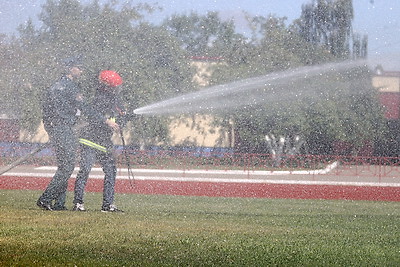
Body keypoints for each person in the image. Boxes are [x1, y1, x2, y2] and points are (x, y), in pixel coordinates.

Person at [37, 58, 118, 211]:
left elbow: (47, 109)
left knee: (63, 165)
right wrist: (105, 120)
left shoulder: (57, 85)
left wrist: (50, 127)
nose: (81, 71)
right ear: (70, 69)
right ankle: (45, 198)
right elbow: (84, 107)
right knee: (68, 166)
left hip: (56, 127)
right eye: (79, 68)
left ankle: (59, 204)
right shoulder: (70, 87)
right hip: (64, 128)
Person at [73, 70, 126, 212]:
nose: (117, 89)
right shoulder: (100, 99)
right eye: (115, 87)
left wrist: (120, 121)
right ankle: (78, 203)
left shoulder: (113, 99)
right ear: (108, 86)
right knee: (85, 170)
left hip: (103, 141)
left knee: (110, 170)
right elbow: (93, 116)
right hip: (91, 140)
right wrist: (107, 122)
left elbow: (115, 117)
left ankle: (107, 205)